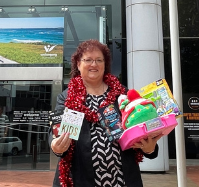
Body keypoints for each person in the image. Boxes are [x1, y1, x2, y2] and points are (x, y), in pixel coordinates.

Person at [51, 39, 159, 187]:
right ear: (78, 64)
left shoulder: (122, 95)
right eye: (88, 60)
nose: (94, 64)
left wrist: (149, 148)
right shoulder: (67, 96)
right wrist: (55, 145)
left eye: (99, 60)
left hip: (122, 179)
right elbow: (56, 128)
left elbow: (140, 127)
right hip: (81, 179)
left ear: (105, 64)